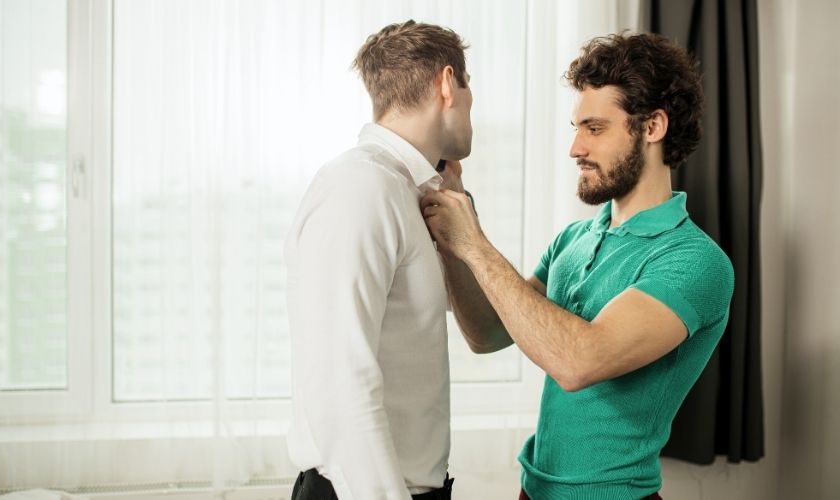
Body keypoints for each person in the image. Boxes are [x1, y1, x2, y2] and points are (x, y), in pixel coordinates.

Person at [421, 32, 734, 499]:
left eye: (595, 128)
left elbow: (577, 361)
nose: (575, 149)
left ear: (652, 128)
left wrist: (476, 245)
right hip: (534, 489)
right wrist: (455, 232)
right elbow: (486, 334)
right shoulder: (575, 238)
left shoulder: (694, 261)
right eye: (576, 128)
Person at [284, 20, 472, 500]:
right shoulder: (361, 186)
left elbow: (478, 325)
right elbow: (340, 379)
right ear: (448, 84)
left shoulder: (410, 192)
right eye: (471, 90)